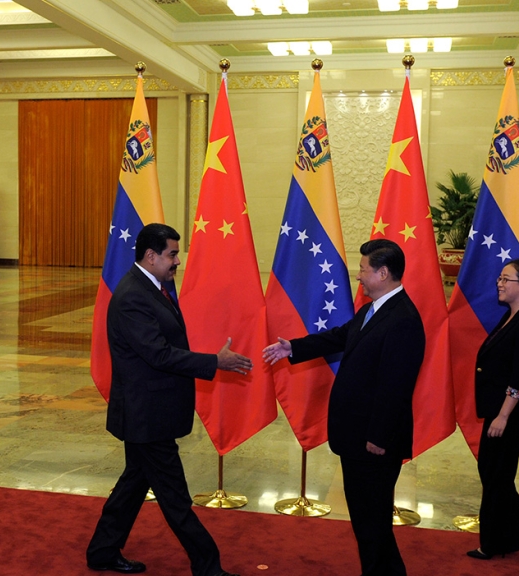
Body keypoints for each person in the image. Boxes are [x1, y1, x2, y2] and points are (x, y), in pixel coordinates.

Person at [86, 223, 250, 576]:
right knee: (175, 498)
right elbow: (159, 355)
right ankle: (208, 566)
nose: (177, 261)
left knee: (133, 485)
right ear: (151, 256)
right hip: (147, 416)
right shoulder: (132, 296)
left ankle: (101, 551)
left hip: (152, 412)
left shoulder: (154, 287)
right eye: (172, 254)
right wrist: (214, 363)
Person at [263, 239, 424, 576]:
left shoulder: (404, 319)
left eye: (364, 271)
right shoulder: (372, 309)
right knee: (366, 519)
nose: (359, 278)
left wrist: (378, 437)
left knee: (372, 519)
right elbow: (339, 337)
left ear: (383, 273)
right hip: (356, 436)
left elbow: (395, 387)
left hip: (374, 442)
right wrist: (293, 347)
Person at [466, 259, 519, 560]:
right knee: (493, 471)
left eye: (506, 279)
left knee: (496, 473)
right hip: (499, 408)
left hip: (511, 411)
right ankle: (516, 532)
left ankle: (494, 543)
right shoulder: (513, 316)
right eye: (499, 278)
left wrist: (503, 415)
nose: (499, 284)